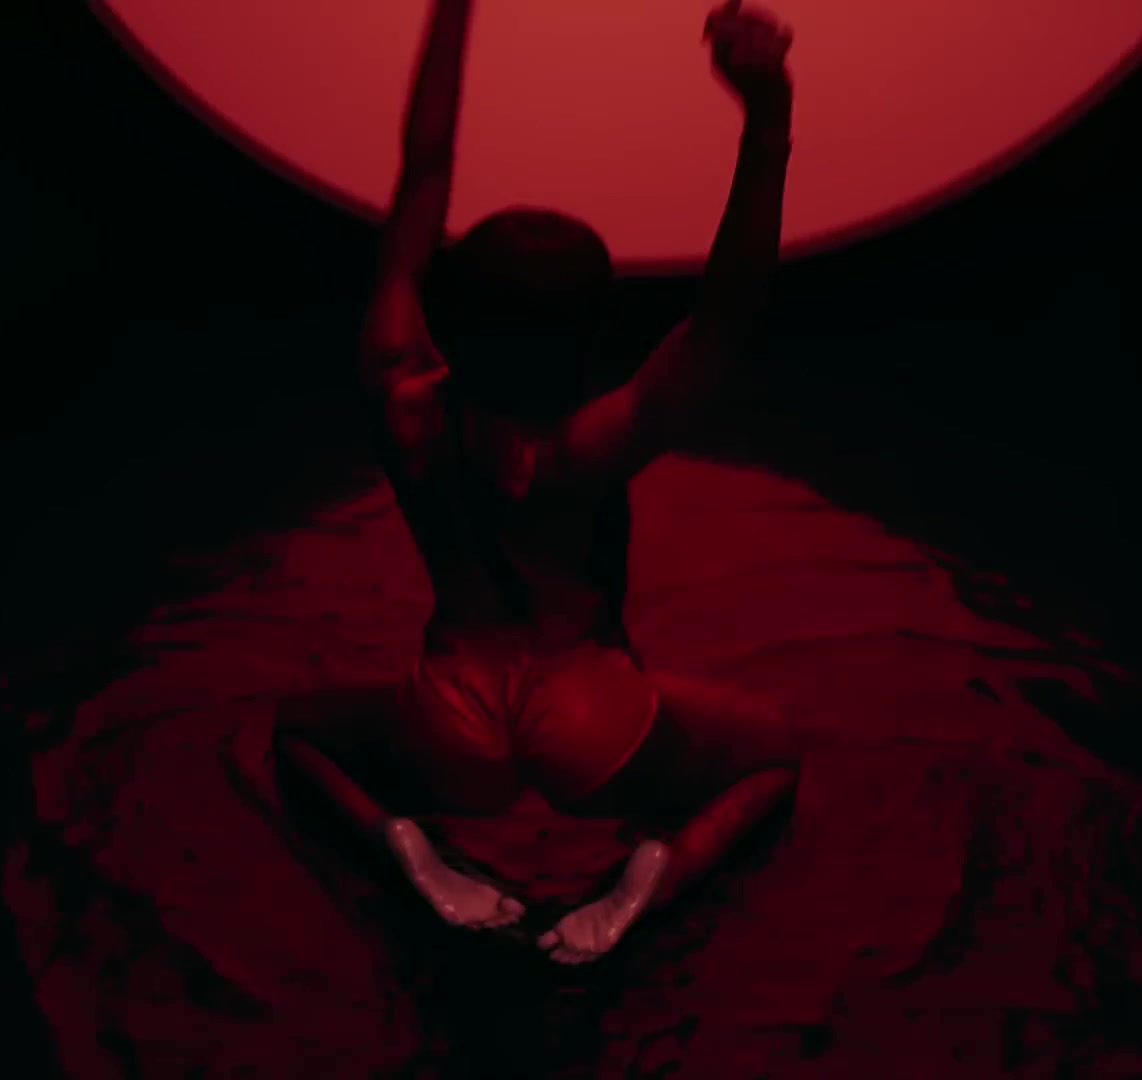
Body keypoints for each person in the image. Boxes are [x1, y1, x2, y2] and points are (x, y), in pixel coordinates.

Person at [240, 0, 800, 967]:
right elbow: (727, 309)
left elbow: (423, 172)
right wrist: (767, 113)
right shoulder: (594, 443)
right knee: (773, 751)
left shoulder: (404, 394)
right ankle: (658, 877)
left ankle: (404, 848)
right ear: (595, 329)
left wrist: (454, 8)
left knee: (298, 733)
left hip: (449, 712)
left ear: (450, 311)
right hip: (591, 717)